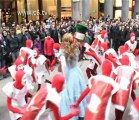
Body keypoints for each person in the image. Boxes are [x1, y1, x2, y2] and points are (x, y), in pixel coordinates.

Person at [59, 33, 88, 120]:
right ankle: (81, 112)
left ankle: (72, 114)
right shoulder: (75, 49)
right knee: (79, 91)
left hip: (69, 74)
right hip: (76, 72)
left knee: (70, 93)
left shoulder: (62, 51)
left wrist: (65, 77)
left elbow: (64, 66)